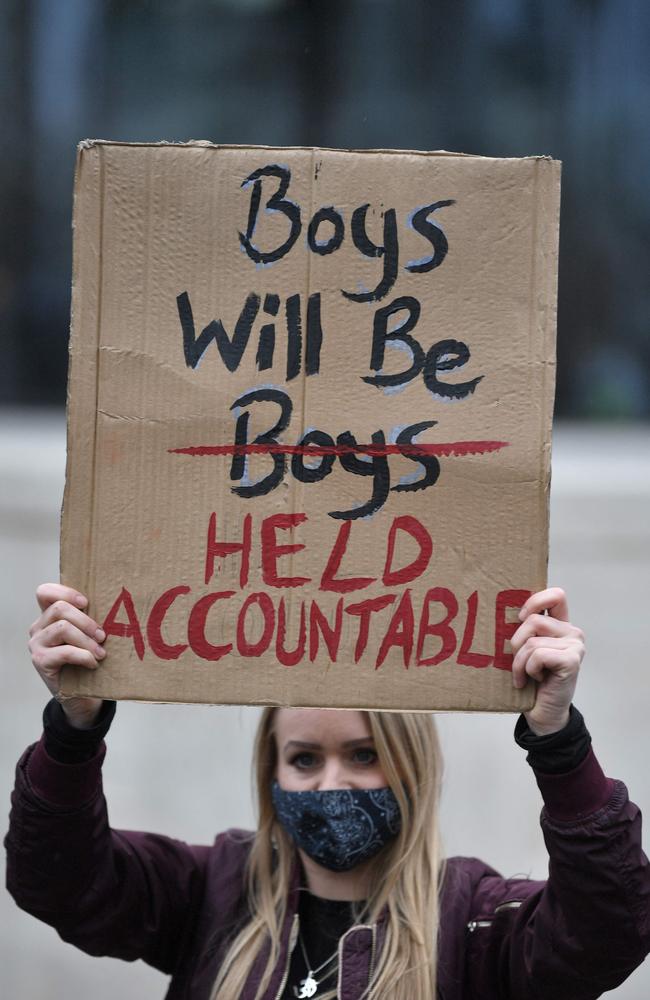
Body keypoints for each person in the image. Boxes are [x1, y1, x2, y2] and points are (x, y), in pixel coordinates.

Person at [5, 583, 650, 1000]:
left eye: (364, 755)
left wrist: (558, 742)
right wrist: (73, 730)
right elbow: (59, 881)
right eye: (305, 758)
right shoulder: (208, 893)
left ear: (412, 766)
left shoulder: (480, 925)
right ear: (271, 774)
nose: (331, 781)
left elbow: (610, 928)